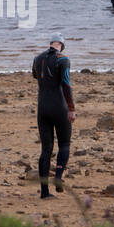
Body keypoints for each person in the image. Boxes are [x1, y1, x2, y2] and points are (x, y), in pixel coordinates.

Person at [32, 34, 75, 198]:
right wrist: (71, 108)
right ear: (62, 45)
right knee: (64, 144)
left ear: (51, 43)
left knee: (46, 150)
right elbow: (66, 84)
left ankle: (44, 192)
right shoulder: (63, 60)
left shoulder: (37, 59)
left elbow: (35, 76)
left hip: (42, 108)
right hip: (60, 107)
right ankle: (57, 177)